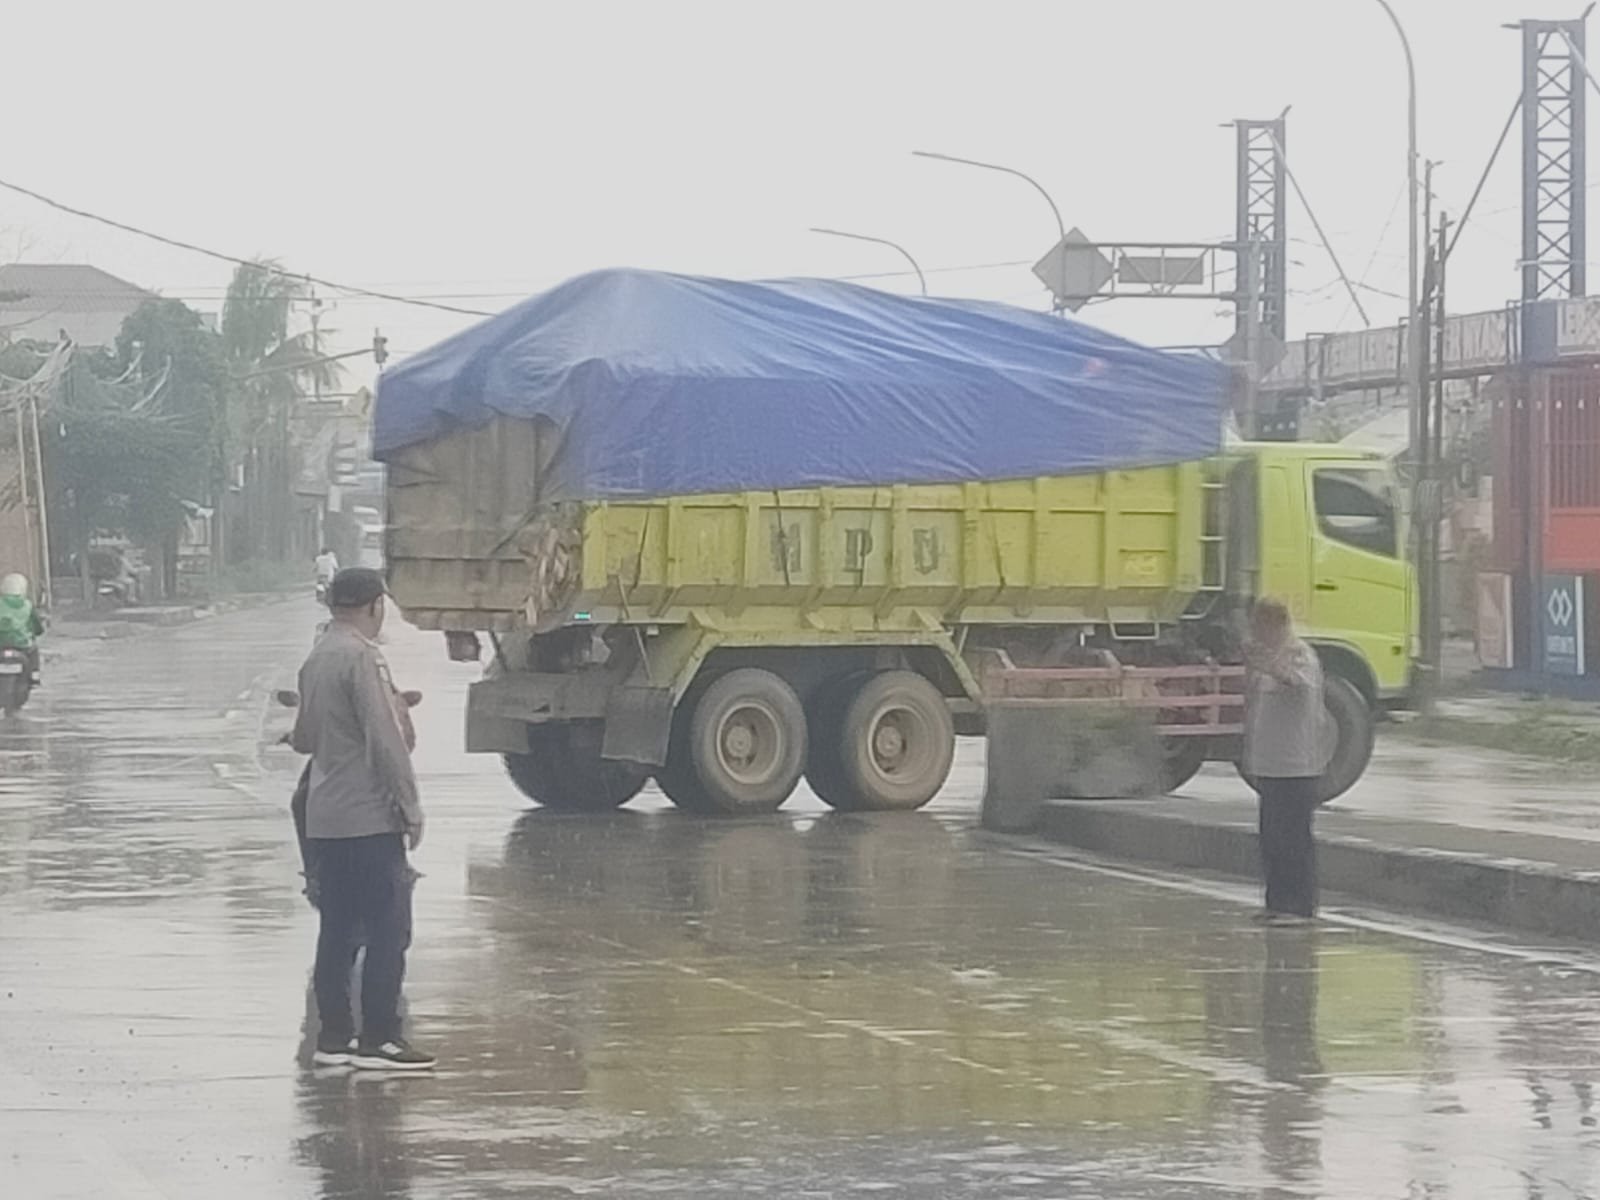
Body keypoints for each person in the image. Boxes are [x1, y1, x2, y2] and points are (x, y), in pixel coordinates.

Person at [291, 567, 434, 1070]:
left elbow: (304, 738)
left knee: (337, 928)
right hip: (368, 817)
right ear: (375, 606)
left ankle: (334, 1039)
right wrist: (410, 807)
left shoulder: (315, 659)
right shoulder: (362, 658)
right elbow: (385, 740)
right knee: (388, 929)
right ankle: (380, 1038)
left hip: (325, 817)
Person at [1243, 597, 1329, 925]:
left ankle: (1300, 907)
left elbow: (1295, 683)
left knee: (1294, 838)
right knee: (1271, 839)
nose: (1257, 634)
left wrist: (1268, 667)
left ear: (1276, 624)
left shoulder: (1298, 654)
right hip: (1270, 765)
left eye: (1260, 626)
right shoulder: (1271, 660)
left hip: (1297, 766)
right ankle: (1277, 902)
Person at [0, 573, 46, 685]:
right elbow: (36, 625)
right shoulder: (27, 605)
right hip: (22, 644)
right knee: (34, 651)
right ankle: (34, 677)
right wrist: (39, 631)